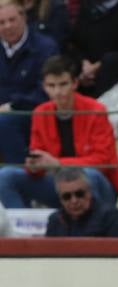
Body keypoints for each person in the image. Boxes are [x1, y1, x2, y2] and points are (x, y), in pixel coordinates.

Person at [0, 54, 118, 209]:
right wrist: (34, 166)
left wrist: (58, 164)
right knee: (6, 176)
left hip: (98, 183)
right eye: (51, 86)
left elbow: (102, 162)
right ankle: (20, 229)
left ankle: (94, 228)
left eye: (63, 84)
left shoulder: (96, 110)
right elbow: (38, 158)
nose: (58, 92)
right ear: (44, 87)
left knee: (87, 175)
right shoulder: (40, 113)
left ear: (75, 83)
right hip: (58, 183)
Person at [0, 0, 57, 164]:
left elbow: (46, 91)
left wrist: (12, 106)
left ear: (24, 17)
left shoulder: (45, 47)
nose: (7, 26)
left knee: (4, 123)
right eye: (1, 22)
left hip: (32, 114)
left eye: (12, 20)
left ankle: (18, 176)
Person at [68, 0, 118, 97]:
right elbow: (76, 43)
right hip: (88, 73)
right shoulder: (88, 7)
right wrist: (84, 63)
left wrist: (98, 66)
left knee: (111, 62)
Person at [44, 165, 118, 236]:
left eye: (79, 194)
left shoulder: (110, 218)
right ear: (60, 199)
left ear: (90, 192)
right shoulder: (55, 221)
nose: (74, 201)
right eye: (67, 196)